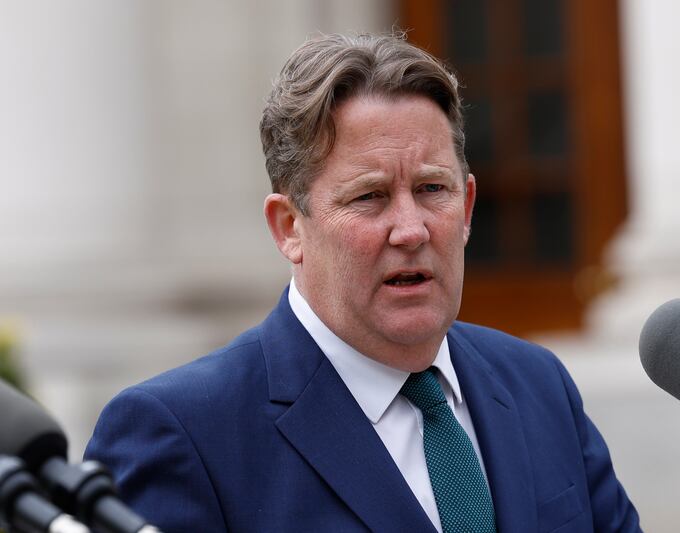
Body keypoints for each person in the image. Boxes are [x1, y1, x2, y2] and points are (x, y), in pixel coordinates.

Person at [85, 32, 641, 532]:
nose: (411, 229)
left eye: (432, 189)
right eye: (369, 197)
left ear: (467, 207)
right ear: (289, 228)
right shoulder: (185, 432)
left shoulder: (537, 384)